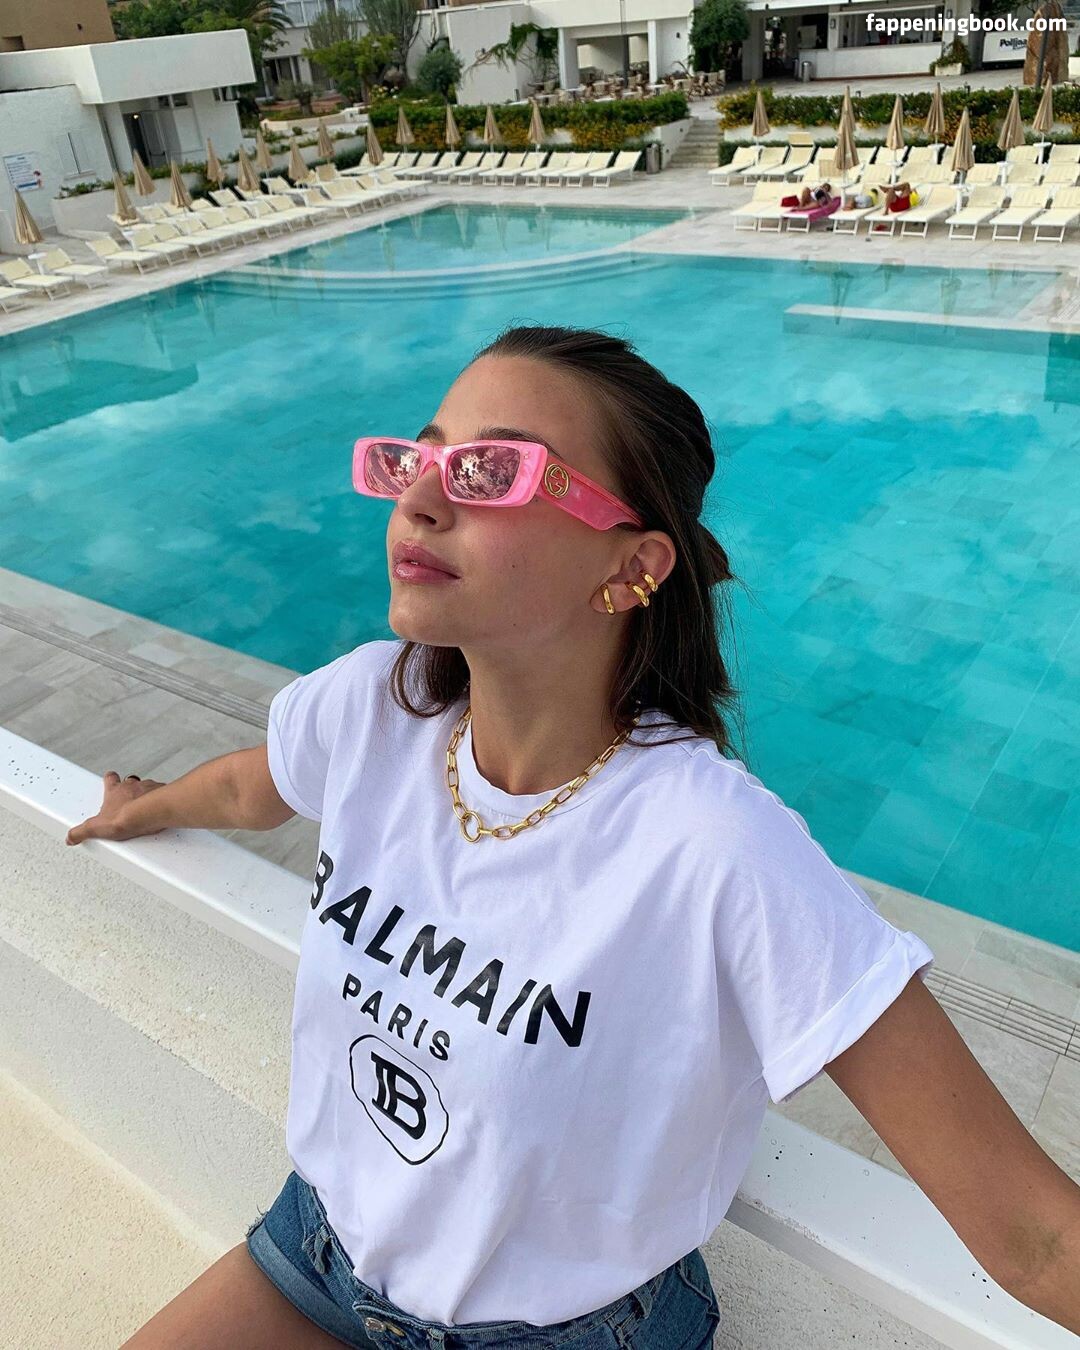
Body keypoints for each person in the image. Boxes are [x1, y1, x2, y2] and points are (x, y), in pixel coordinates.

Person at [67, 327, 1075, 1347]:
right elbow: (256, 787)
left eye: (491, 471)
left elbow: (1034, 1237)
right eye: (418, 459)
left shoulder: (714, 849)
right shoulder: (373, 706)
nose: (421, 500)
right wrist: (143, 805)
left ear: (632, 568)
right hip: (322, 1251)